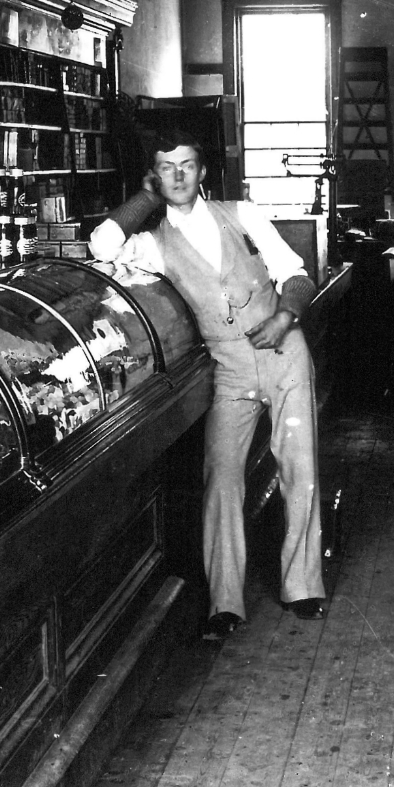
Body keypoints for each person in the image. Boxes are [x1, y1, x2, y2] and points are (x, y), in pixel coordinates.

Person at [89, 131, 326, 640]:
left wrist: (286, 315)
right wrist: (148, 197)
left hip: (285, 355)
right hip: (231, 369)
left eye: (188, 165)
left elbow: (297, 275)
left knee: (299, 468)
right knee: (220, 478)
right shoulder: (153, 245)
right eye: (166, 167)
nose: (178, 176)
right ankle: (226, 602)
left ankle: (303, 585)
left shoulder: (243, 214)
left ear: (203, 172)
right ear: (154, 174)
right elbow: (101, 245)